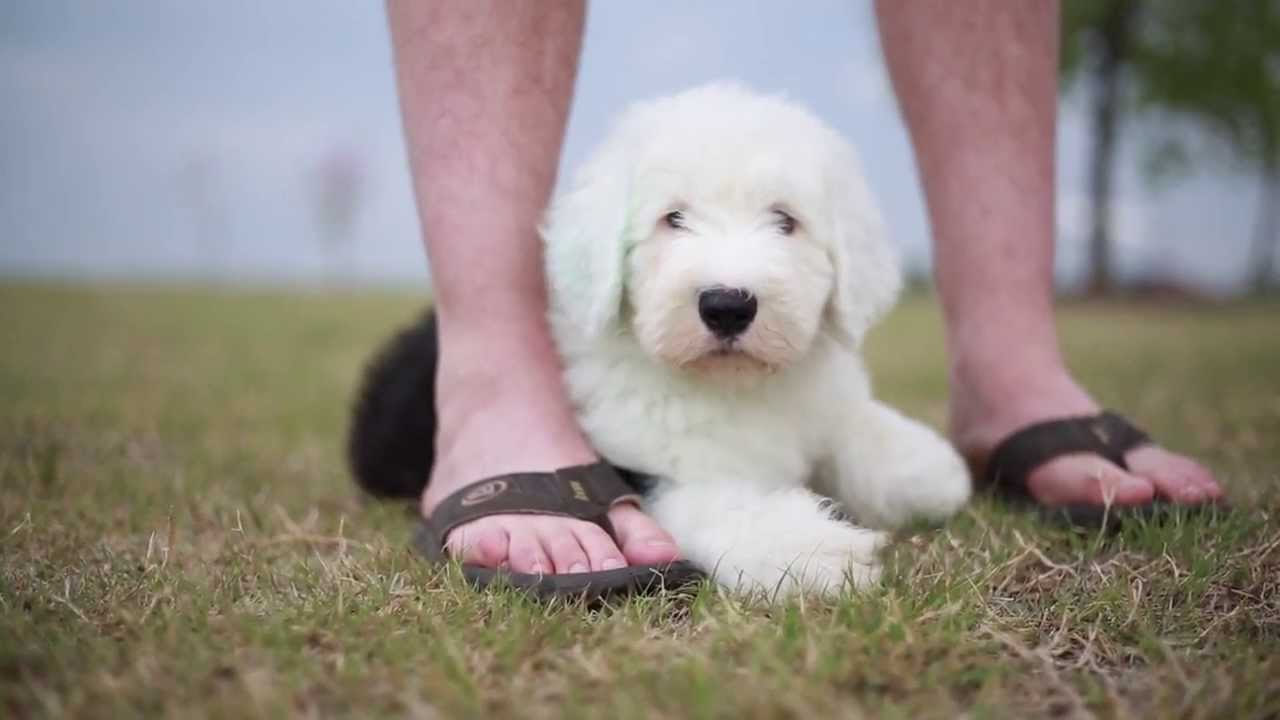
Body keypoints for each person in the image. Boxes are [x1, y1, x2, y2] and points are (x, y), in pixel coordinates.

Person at [383, 1, 1223, 578]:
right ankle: (494, 383)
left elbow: (850, 423)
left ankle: (1011, 369)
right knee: (677, 481)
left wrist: (867, 447)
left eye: (785, 221)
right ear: (610, 249)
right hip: (643, 439)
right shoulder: (606, 361)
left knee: (882, 454)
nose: (730, 279)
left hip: (814, 395)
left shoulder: (827, 342)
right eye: (675, 219)